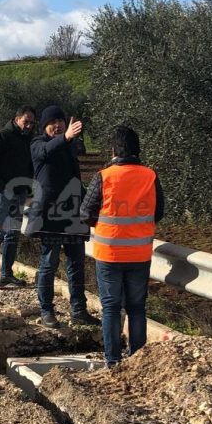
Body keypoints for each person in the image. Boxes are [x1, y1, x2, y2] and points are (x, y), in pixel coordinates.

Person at [81, 125, 164, 367]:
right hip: (140, 254)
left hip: (109, 254)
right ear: (137, 150)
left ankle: (112, 361)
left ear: (114, 150)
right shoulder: (150, 176)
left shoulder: (104, 176)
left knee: (110, 308)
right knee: (137, 307)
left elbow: (86, 213)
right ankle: (137, 360)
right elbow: (158, 212)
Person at [26, 105, 101, 328]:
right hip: (50, 216)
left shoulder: (69, 148)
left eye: (60, 121)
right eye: (53, 122)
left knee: (77, 263)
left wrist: (92, 202)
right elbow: (46, 152)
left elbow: (74, 180)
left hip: (73, 215)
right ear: (44, 126)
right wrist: (66, 137)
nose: (57, 125)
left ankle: (79, 309)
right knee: (49, 263)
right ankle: (46, 309)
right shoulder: (37, 144)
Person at [0, 105, 36, 288]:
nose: (28, 126)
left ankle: (7, 273)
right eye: (26, 122)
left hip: (19, 192)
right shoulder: (2, 136)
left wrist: (28, 185)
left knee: (13, 234)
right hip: (2, 193)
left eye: (31, 123)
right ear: (17, 119)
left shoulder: (28, 139)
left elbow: (29, 165)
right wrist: (0, 186)